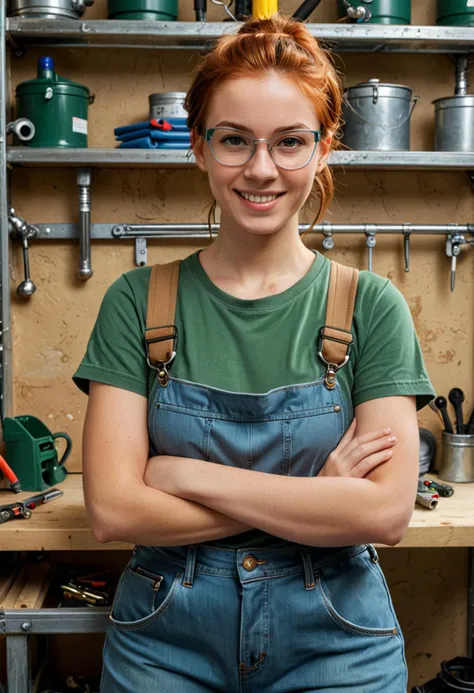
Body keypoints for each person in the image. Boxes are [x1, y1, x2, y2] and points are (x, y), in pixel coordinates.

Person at [72, 12, 436, 692]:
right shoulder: (136, 301)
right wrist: (318, 499)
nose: (261, 169)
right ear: (199, 147)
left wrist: (181, 474)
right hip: (164, 637)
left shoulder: (370, 306)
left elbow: (384, 514)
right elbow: (114, 510)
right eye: (235, 140)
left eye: (289, 142)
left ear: (324, 148)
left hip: (337, 638)